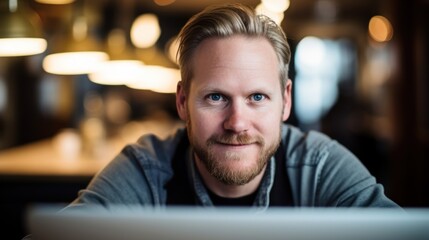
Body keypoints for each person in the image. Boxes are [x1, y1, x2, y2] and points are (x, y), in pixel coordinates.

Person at [69, 3, 398, 208]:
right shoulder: (146, 169)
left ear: (285, 101)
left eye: (257, 97)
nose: (236, 122)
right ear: (182, 102)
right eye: (216, 97)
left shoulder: (319, 165)